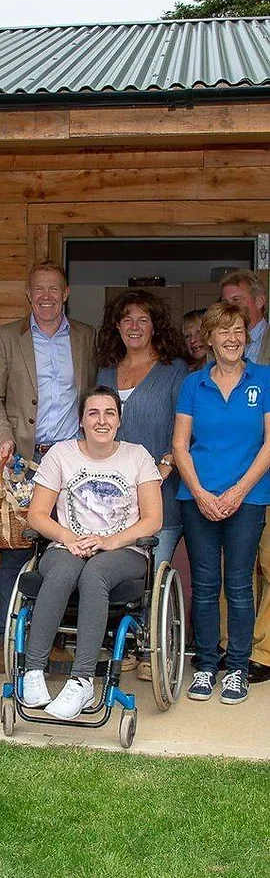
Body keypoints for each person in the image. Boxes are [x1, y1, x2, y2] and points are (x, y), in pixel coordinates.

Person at [20, 386, 163, 719]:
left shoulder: (137, 456)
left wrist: (111, 541)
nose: (102, 420)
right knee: (62, 570)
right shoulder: (60, 454)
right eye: (93, 413)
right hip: (66, 545)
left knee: (95, 572)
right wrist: (69, 537)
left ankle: (82, 680)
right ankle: (33, 672)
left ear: (119, 420)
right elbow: (37, 514)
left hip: (123, 552)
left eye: (109, 413)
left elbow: (154, 519)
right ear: (81, 420)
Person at [0, 260, 97, 652]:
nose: (46, 296)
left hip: (70, 462)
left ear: (66, 294)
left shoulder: (84, 336)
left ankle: (56, 642)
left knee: (66, 550)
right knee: (16, 551)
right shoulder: (6, 336)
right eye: (39, 290)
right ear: (29, 295)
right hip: (23, 462)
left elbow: (91, 398)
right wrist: (3, 436)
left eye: (54, 289)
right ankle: (9, 642)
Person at [173, 301, 270, 706]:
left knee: (240, 586)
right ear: (209, 338)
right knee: (206, 585)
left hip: (247, 498)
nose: (232, 339)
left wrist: (237, 492)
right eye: (223, 332)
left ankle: (236, 669)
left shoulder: (263, 378)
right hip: (198, 498)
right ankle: (207, 666)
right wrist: (199, 492)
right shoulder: (193, 384)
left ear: (246, 337)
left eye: (238, 332)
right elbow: (180, 445)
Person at [95, 290, 188, 572]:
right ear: (117, 326)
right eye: (127, 320)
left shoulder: (174, 370)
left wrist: (169, 462)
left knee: (149, 581)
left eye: (143, 320)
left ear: (155, 326)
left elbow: (187, 429)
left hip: (160, 498)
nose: (134, 327)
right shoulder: (105, 373)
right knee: (113, 581)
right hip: (110, 504)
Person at [220, 271, 270, 683]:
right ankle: (230, 647)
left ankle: (263, 652)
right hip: (229, 483)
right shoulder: (219, 353)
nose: (232, 310)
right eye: (225, 303)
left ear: (260, 302)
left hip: (264, 479)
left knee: (268, 567)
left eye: (238, 300)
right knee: (233, 572)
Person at [220, 269, 270, 364]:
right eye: (225, 303)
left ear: (260, 301)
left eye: (236, 299)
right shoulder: (217, 344)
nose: (230, 307)